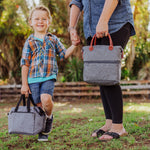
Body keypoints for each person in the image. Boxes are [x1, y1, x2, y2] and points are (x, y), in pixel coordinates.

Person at [69, 0, 135, 141]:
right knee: (100, 74)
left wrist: (104, 20)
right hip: (92, 28)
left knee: (107, 73)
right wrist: (72, 28)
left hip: (115, 24)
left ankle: (118, 126)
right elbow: (76, 2)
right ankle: (109, 122)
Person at [20, 5, 79, 142]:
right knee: (39, 106)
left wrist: (74, 45)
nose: (40, 21)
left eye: (44, 19)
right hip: (33, 79)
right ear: (31, 22)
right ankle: (42, 131)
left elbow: (63, 54)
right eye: (37, 19)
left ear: (49, 22)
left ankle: (49, 117)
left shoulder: (53, 39)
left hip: (48, 77)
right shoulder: (29, 42)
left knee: (46, 99)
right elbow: (25, 64)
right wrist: (24, 84)